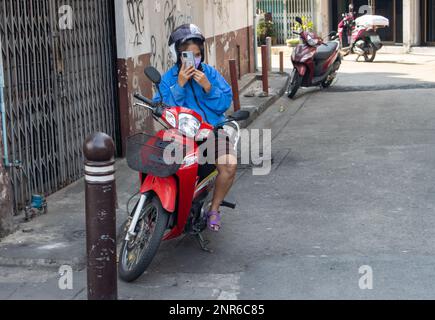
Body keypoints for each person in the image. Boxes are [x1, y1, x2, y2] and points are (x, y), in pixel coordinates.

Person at [153, 24, 236, 232]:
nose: (194, 60)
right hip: (180, 136)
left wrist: (208, 87)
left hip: (211, 133)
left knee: (229, 166)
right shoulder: (169, 79)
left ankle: (214, 209)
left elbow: (225, 102)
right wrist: (179, 85)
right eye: (187, 55)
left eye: (198, 55)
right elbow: (161, 107)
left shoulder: (210, 74)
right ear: (177, 55)